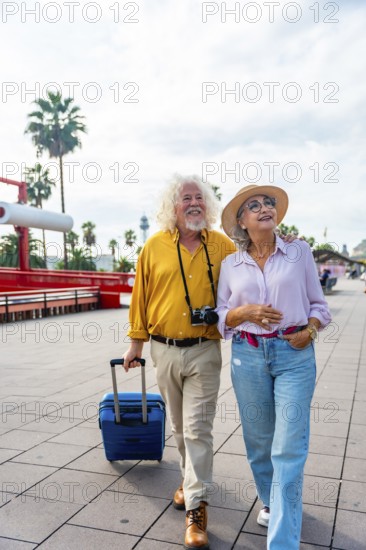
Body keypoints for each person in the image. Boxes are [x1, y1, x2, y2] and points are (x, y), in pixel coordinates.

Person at [123, 174, 236, 550]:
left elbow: (242, 290)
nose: (193, 204)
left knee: (197, 428)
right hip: (163, 349)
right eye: (185, 198)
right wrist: (135, 344)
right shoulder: (153, 246)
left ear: (208, 205)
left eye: (199, 198)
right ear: (173, 207)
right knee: (178, 426)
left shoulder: (223, 247)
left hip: (205, 350)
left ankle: (197, 508)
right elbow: (141, 296)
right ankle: (190, 481)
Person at [216, 184, 331, 550]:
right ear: (242, 222)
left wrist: (310, 331)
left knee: (288, 445)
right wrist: (244, 312)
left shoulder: (300, 252)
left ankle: (282, 542)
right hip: (246, 355)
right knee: (259, 441)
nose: (265, 207)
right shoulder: (230, 265)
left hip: (294, 355)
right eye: (254, 205)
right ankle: (273, 499)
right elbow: (220, 316)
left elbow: (319, 305)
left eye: (269, 203)